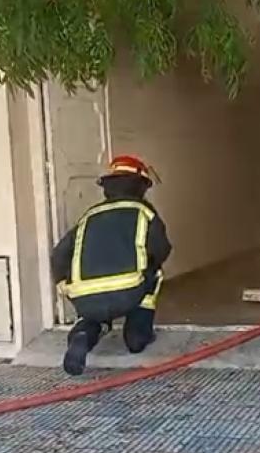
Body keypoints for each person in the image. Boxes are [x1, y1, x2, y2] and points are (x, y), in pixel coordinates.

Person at [51, 155, 172, 376]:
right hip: (128, 293)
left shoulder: (90, 215)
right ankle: (137, 335)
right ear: (141, 186)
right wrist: (145, 268)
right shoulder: (144, 212)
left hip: (84, 296)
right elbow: (161, 249)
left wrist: (63, 283)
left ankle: (82, 335)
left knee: (94, 315)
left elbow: (59, 254)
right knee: (155, 274)